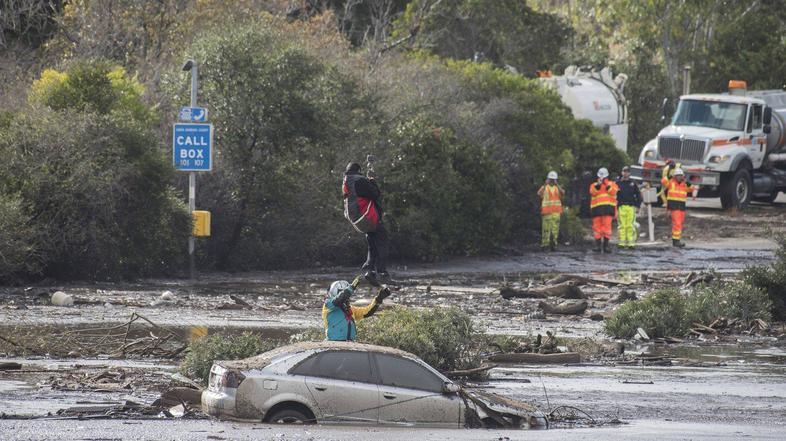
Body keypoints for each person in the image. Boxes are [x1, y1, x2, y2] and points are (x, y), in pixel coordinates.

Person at [343, 162, 391, 285]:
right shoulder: (359, 181)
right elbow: (375, 194)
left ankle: (370, 272)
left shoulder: (346, 182)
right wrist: (372, 181)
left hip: (358, 220)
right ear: (359, 170)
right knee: (382, 240)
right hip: (369, 217)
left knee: (372, 243)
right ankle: (382, 272)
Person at [323, 276, 391, 341]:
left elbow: (367, 312)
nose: (347, 297)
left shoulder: (350, 308)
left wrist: (378, 299)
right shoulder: (328, 305)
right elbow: (339, 299)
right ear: (334, 293)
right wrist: (352, 286)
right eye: (341, 292)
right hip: (333, 342)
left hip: (349, 343)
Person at [661, 168, 699, 248]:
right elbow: (663, 181)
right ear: (675, 176)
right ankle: (676, 241)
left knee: (680, 224)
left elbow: (692, 189)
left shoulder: (684, 184)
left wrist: (687, 182)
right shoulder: (671, 182)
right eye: (678, 175)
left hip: (681, 207)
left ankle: (677, 240)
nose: (679, 177)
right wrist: (669, 176)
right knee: (677, 224)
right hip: (674, 207)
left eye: (680, 175)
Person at [589, 167, 618, 253]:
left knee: (607, 228)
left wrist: (606, 185)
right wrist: (598, 185)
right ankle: (598, 246)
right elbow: (592, 192)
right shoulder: (594, 185)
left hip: (608, 209)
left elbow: (614, 192)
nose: (602, 178)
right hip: (596, 210)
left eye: (603, 177)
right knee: (597, 228)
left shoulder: (612, 184)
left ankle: (606, 247)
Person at [537, 171, 565, 251]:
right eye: (551, 179)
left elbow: (563, 193)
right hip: (547, 212)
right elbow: (539, 193)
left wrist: (557, 185)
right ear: (548, 179)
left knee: (555, 229)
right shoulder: (545, 187)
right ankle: (545, 245)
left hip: (556, 212)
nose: (552, 181)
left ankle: (554, 245)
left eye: (553, 179)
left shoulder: (557, 188)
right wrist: (545, 184)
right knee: (546, 229)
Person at [616, 166, 642, 249]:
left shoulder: (633, 183)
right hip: (621, 207)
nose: (625, 173)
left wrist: (638, 206)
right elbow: (613, 195)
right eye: (624, 171)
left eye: (627, 171)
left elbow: (638, 195)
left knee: (630, 225)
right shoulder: (617, 183)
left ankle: (631, 243)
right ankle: (622, 243)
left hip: (631, 207)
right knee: (622, 225)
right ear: (622, 172)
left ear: (629, 173)